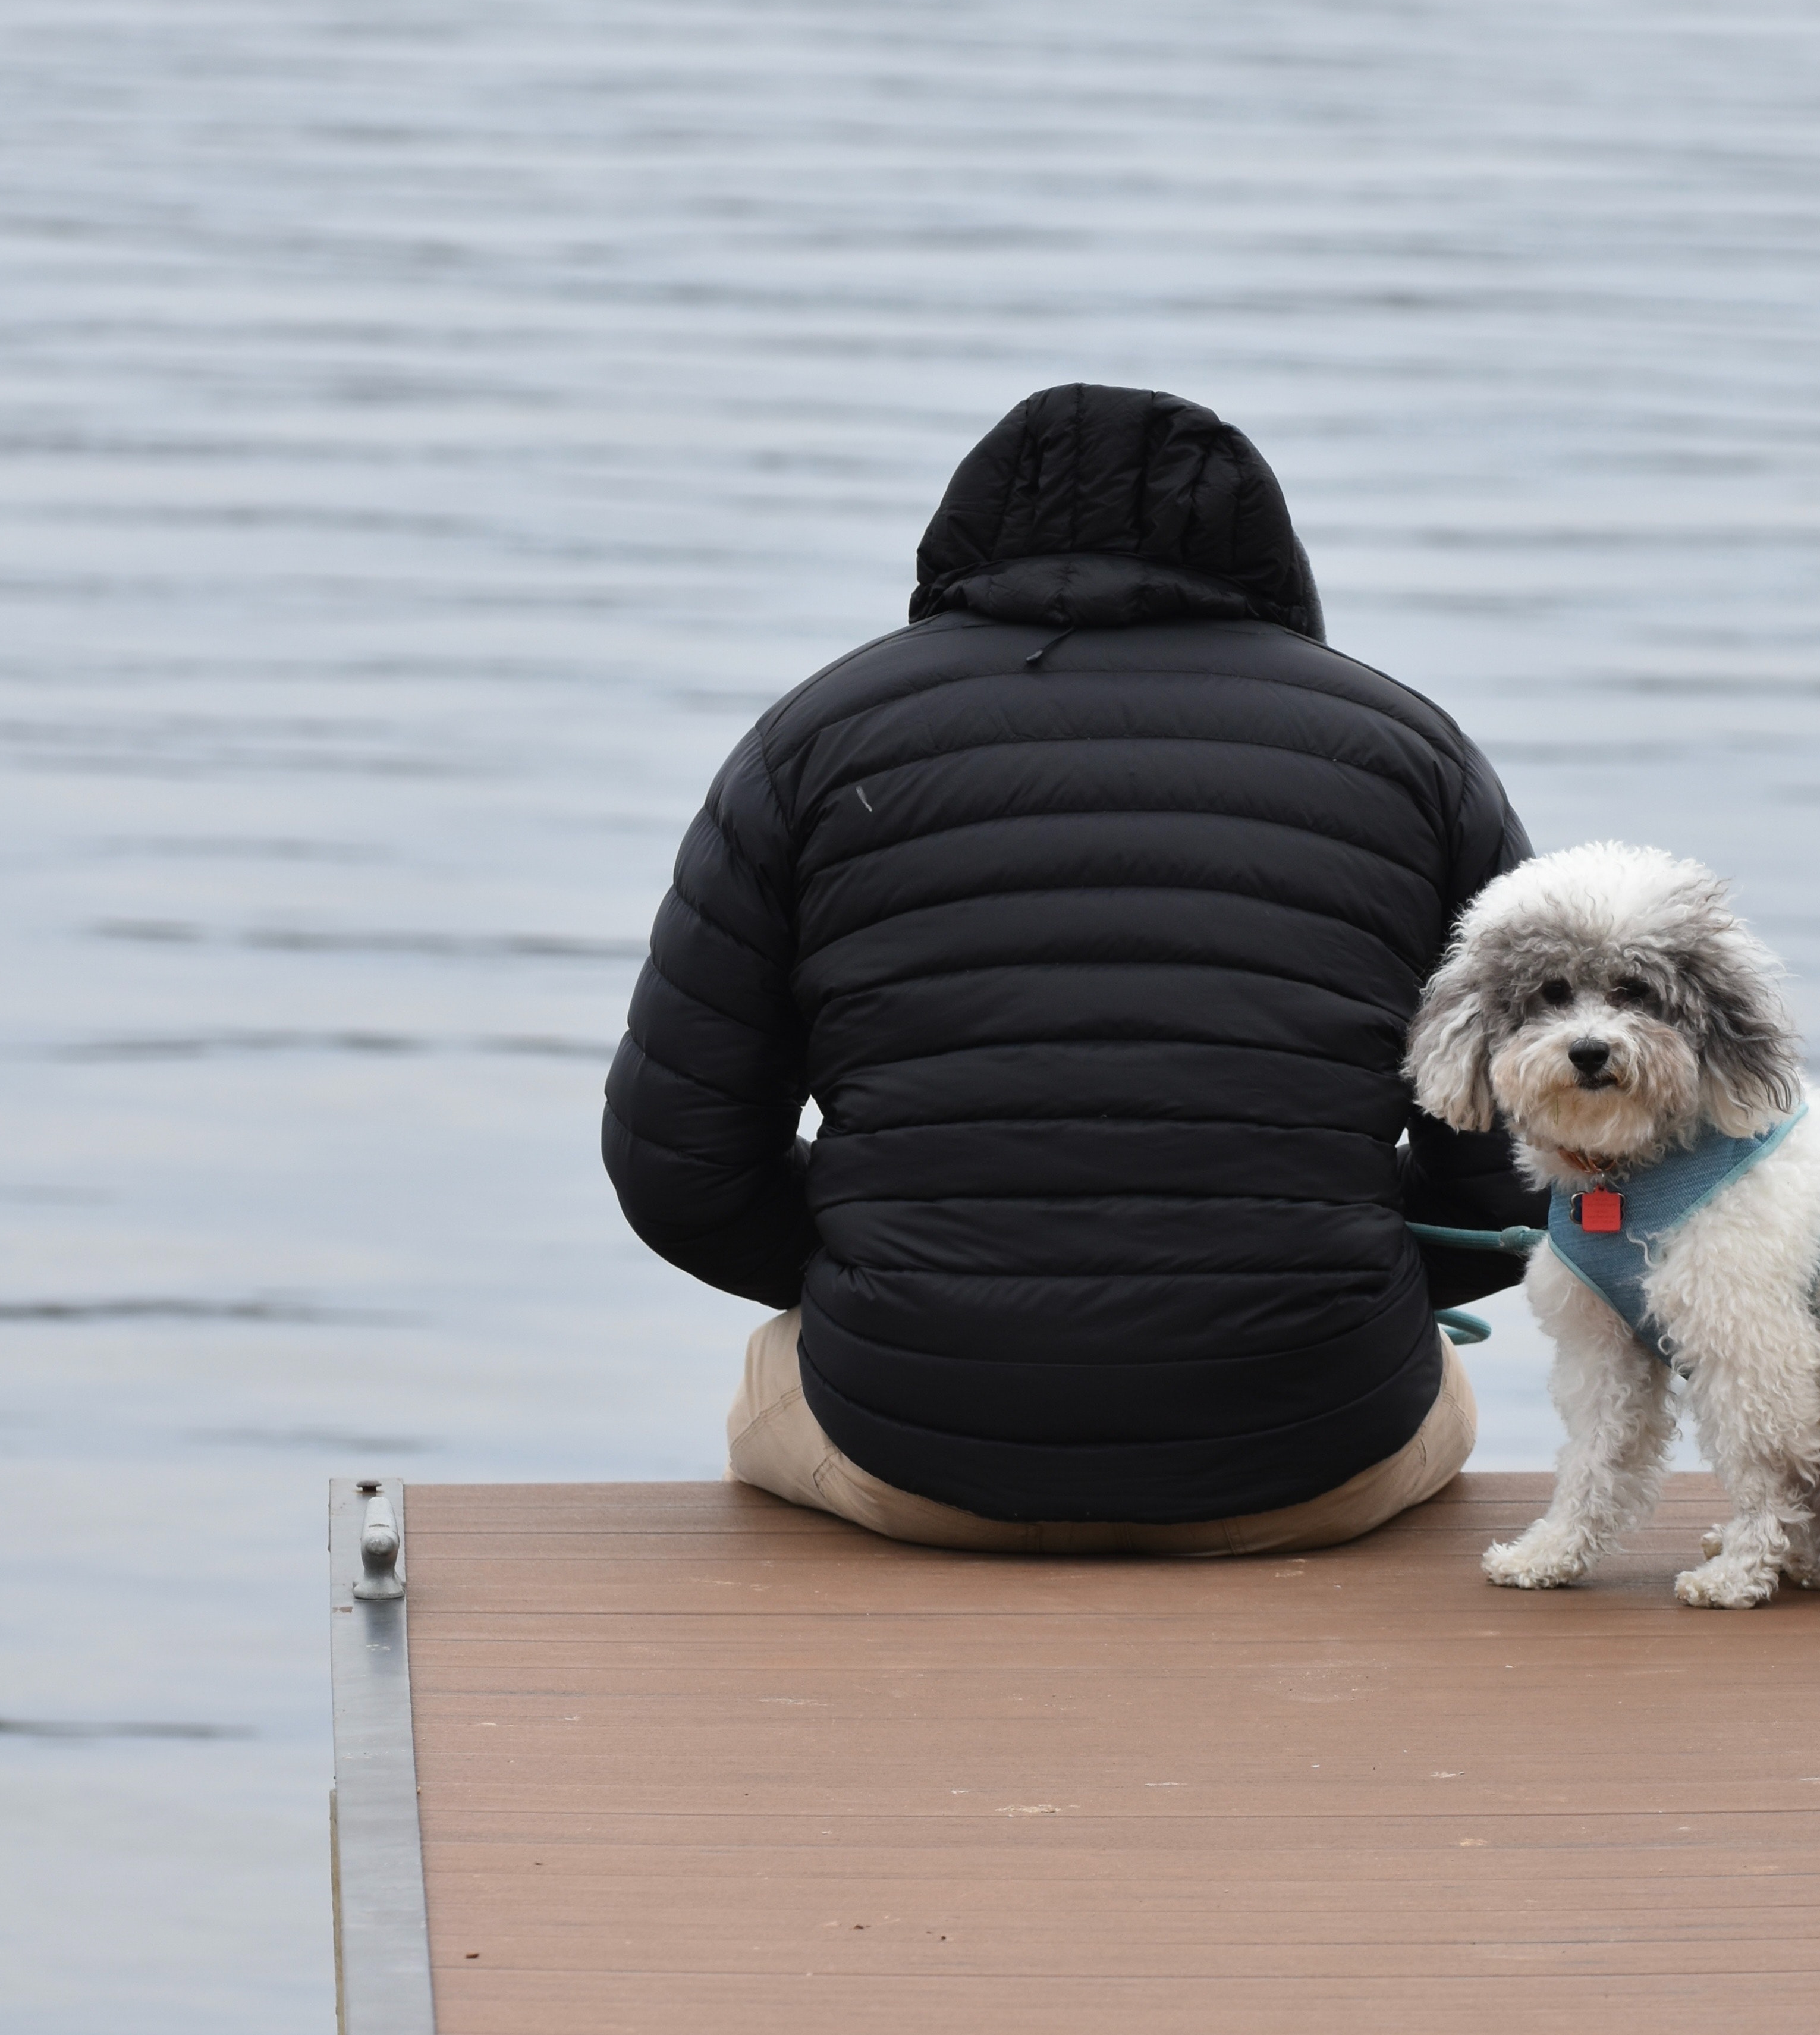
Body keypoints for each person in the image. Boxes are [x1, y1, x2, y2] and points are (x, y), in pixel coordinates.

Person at [603, 382, 1544, 1555]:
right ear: (1269, 552)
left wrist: (899, 1265)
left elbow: (680, 1166)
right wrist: (1335, 1258)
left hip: (914, 1453)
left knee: (766, 1389)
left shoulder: (811, 739)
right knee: (1434, 1397)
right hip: (1311, 1455)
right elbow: (1531, 1161)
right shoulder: (1414, 755)